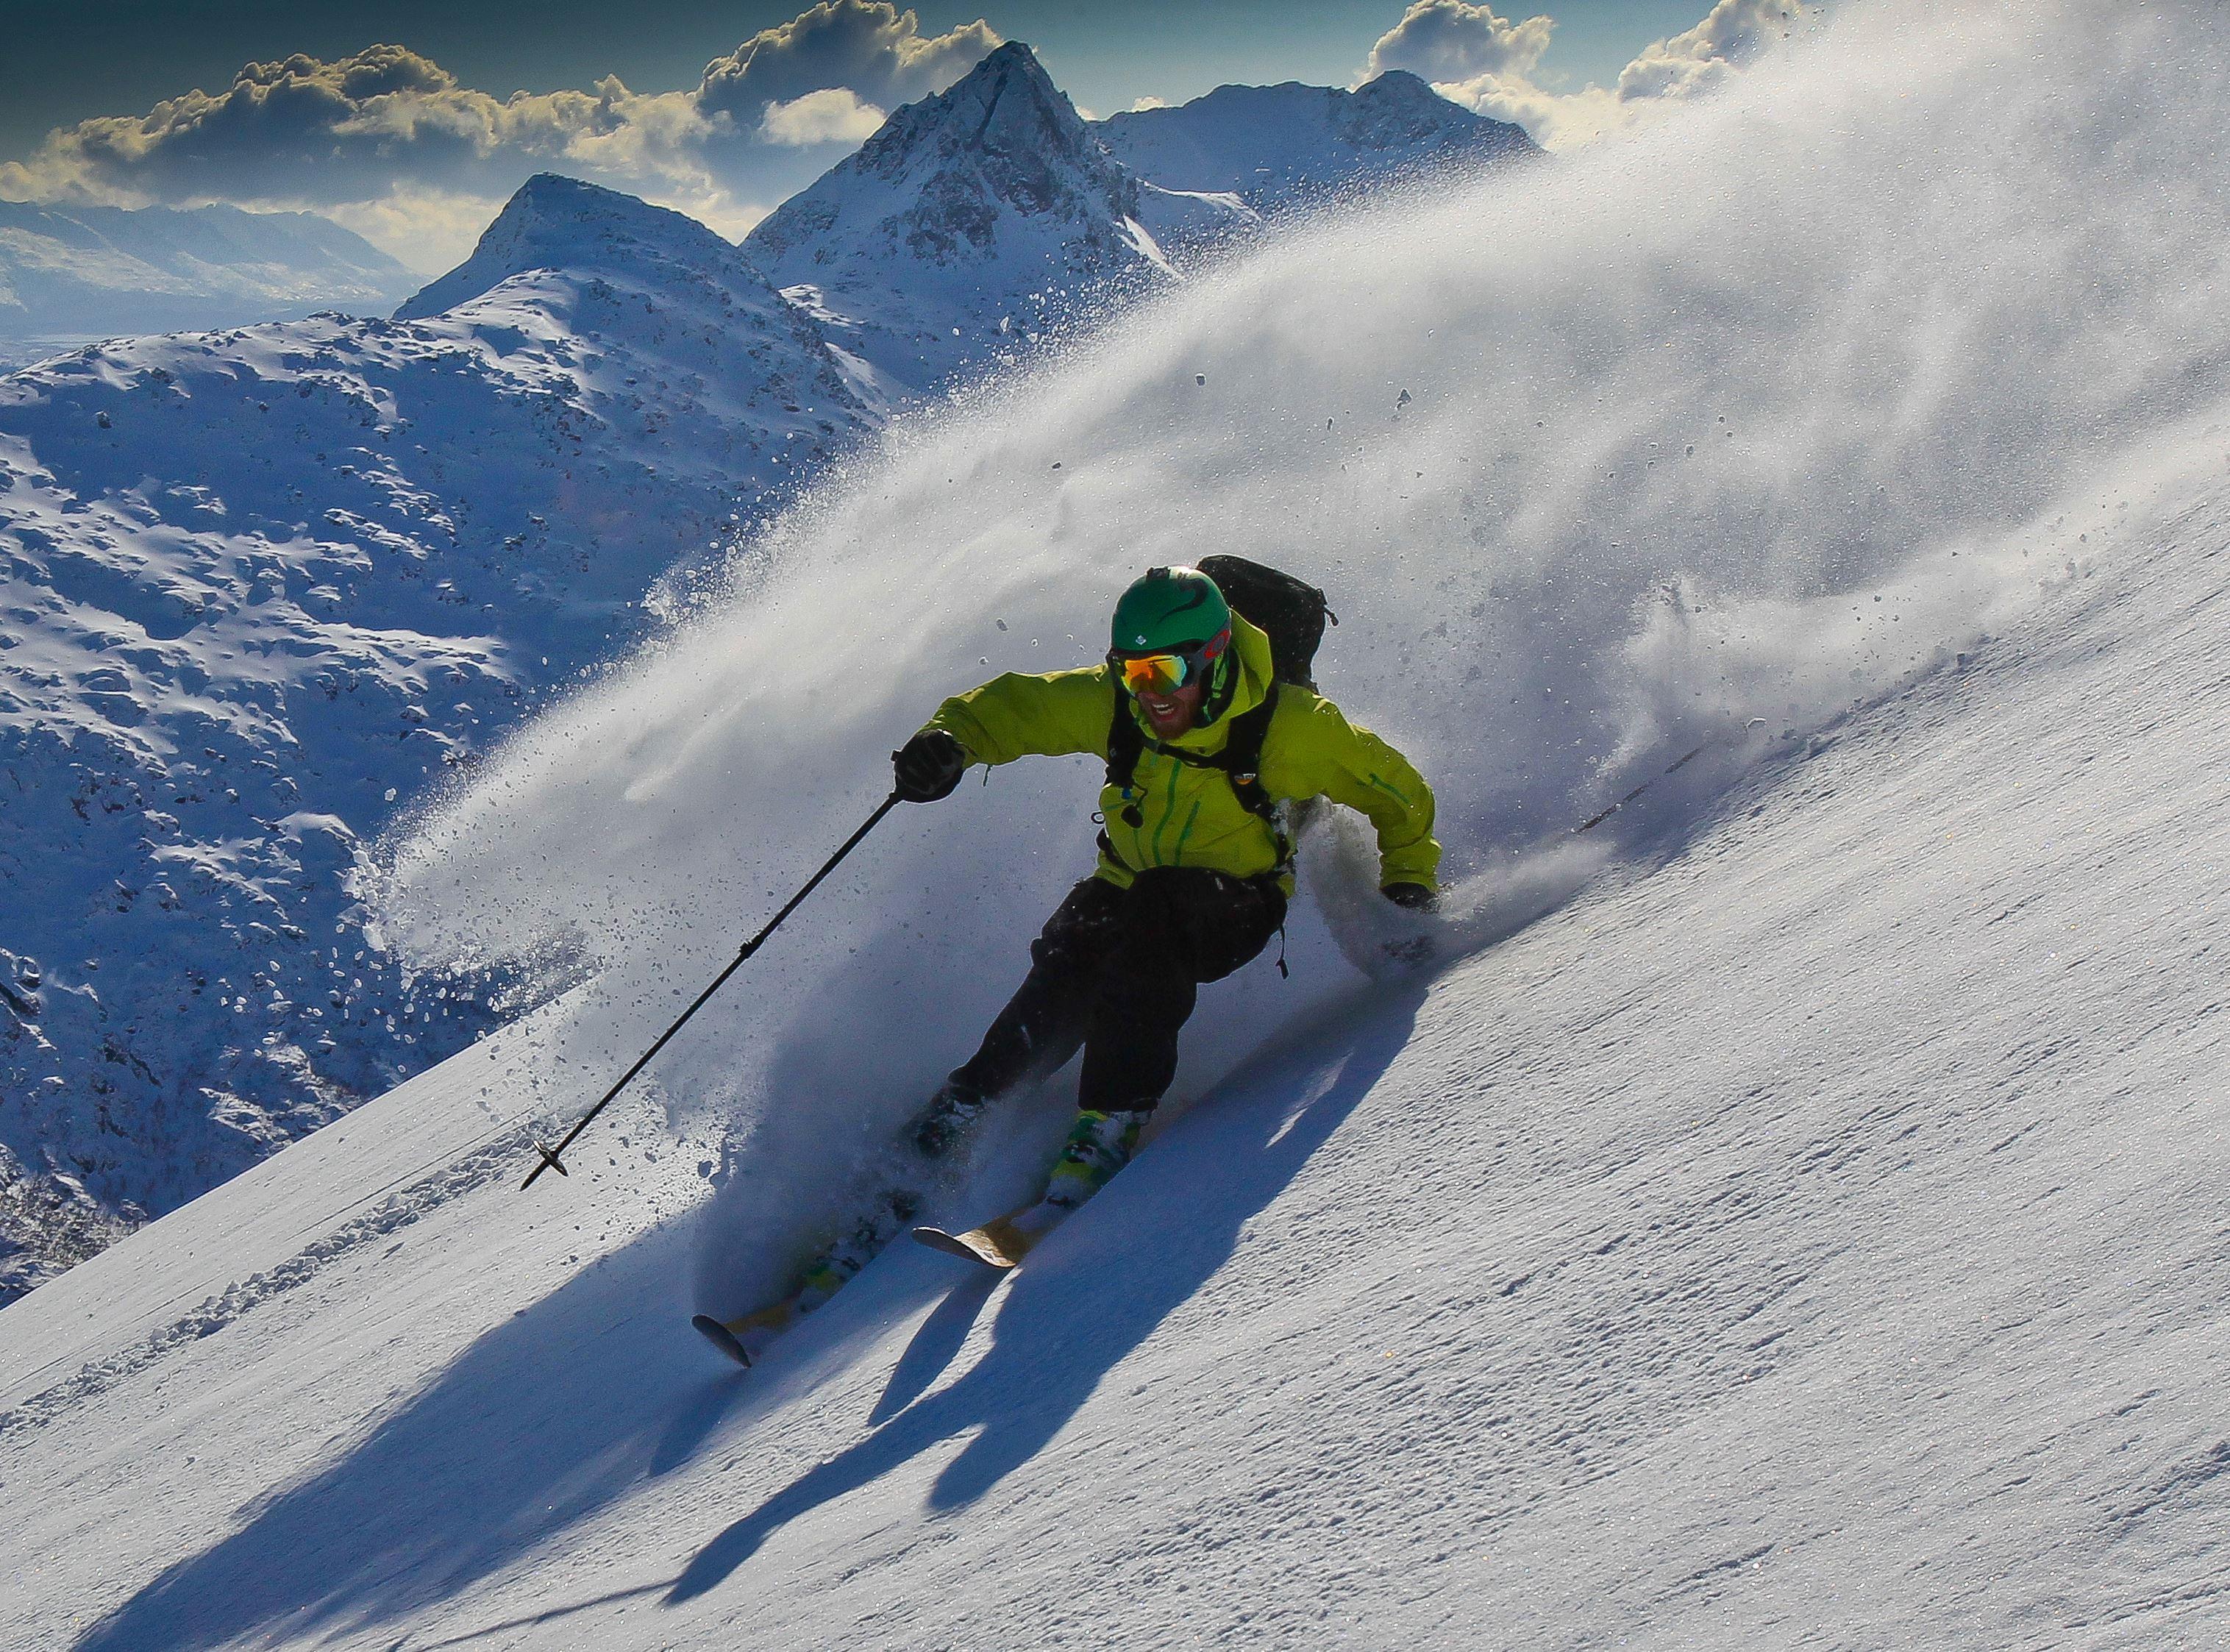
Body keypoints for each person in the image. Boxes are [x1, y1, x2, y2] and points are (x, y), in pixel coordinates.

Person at [786, 566, 1439, 1306]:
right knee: (1074, 952)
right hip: (1131, 892)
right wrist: (946, 742)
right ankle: (962, 1110)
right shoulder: (1120, 704)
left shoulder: (1293, 728)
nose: (1148, 689)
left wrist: (1408, 879)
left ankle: (1111, 1115)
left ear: (1214, 656)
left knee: (1152, 913)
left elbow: (1399, 793)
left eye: (1163, 668)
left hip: (1234, 905)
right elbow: (1016, 706)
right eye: (1131, 669)